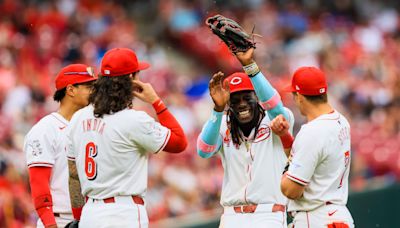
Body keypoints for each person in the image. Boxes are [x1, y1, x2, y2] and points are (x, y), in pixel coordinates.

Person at [66, 48, 187, 228]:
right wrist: (156, 101)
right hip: (124, 213)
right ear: (131, 79)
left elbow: (74, 176)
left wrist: (79, 217)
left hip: (90, 215)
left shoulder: (78, 118)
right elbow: (179, 142)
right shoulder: (134, 120)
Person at [196, 48, 295, 228]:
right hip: (232, 215)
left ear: (256, 96)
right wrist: (218, 110)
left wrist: (250, 67)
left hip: (268, 213)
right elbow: (203, 151)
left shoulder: (274, 119)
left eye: (246, 96)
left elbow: (275, 106)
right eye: (234, 99)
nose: (241, 103)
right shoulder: (223, 123)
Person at [275, 66, 354, 228]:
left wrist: (284, 173)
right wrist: (285, 137)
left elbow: (291, 190)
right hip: (338, 215)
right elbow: (309, 157)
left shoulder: (312, 132)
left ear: (300, 97)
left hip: (316, 217)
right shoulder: (341, 121)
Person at [24, 64, 97, 228]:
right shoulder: (45, 129)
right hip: (59, 219)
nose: (94, 91)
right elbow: (39, 184)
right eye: (88, 86)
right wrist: (50, 224)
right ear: (71, 90)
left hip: (90, 217)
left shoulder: (92, 125)